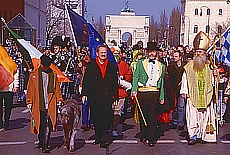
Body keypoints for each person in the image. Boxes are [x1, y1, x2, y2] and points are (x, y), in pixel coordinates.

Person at [180, 31, 217, 145]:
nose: (198, 54)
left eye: (200, 52)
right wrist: (184, 91)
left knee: (205, 116)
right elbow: (185, 78)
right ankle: (193, 135)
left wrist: (216, 76)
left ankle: (204, 135)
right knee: (192, 116)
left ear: (205, 53)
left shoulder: (209, 66)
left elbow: (213, 82)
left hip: (206, 95)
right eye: (196, 52)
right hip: (193, 95)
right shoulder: (189, 66)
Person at [82, 45, 118, 148]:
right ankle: (98, 137)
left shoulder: (112, 66)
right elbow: (87, 80)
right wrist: (84, 93)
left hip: (107, 96)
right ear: (97, 53)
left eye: (105, 52)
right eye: (101, 52)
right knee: (96, 118)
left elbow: (114, 83)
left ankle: (104, 139)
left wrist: (115, 96)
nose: (103, 54)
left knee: (106, 118)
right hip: (94, 96)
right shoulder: (91, 65)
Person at [131, 42, 165, 147]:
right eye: (150, 51)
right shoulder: (140, 63)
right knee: (143, 115)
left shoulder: (162, 66)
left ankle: (151, 137)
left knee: (152, 115)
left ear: (156, 53)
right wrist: (134, 90)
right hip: (142, 91)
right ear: (147, 52)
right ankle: (144, 134)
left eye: (153, 51)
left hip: (154, 92)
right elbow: (135, 77)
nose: (151, 53)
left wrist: (161, 96)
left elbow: (162, 82)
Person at [26, 55, 63, 152]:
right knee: (40, 123)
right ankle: (41, 140)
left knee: (49, 124)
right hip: (39, 103)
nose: (46, 68)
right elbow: (30, 89)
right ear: (41, 64)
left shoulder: (53, 74)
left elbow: (57, 89)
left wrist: (59, 99)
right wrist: (29, 101)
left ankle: (45, 144)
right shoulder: (34, 74)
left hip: (50, 102)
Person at [111, 47, 132, 137]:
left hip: (120, 92)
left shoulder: (124, 64)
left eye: (117, 54)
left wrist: (124, 77)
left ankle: (115, 129)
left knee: (118, 112)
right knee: (110, 112)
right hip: (110, 93)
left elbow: (129, 74)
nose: (116, 56)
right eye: (114, 54)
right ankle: (110, 127)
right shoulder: (108, 64)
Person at [168, 50, 186, 130]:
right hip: (173, 89)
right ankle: (174, 121)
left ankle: (180, 123)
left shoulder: (185, 65)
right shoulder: (171, 66)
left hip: (182, 88)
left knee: (181, 106)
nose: (174, 58)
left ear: (180, 57)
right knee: (174, 106)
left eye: (176, 56)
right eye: (174, 56)